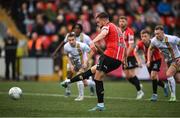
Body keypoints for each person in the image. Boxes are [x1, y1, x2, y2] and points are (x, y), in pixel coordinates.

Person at [61, 12, 126, 111]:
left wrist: (93, 41)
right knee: (91, 71)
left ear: (104, 20)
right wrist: (123, 59)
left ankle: (100, 105)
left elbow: (104, 33)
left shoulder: (107, 26)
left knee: (97, 78)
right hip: (117, 60)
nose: (97, 24)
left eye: (98, 22)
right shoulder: (118, 29)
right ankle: (69, 81)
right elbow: (124, 45)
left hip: (109, 56)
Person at [147, 25, 180, 102]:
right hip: (169, 61)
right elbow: (150, 49)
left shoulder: (172, 39)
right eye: (155, 34)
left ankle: (173, 97)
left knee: (168, 74)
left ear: (163, 32)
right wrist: (148, 60)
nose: (157, 35)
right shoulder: (154, 40)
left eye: (158, 33)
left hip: (176, 59)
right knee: (178, 79)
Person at [134, 29, 168, 101]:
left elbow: (162, 49)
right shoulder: (140, 44)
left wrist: (166, 57)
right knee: (155, 79)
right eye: (142, 36)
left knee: (153, 75)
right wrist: (138, 61)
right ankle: (164, 86)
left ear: (149, 36)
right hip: (148, 62)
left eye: (145, 36)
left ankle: (154, 95)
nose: (143, 38)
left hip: (157, 60)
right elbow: (135, 51)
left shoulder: (154, 42)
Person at [63, 23, 95, 97]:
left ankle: (92, 86)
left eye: (78, 28)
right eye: (75, 28)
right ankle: (68, 90)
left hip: (83, 60)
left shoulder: (85, 37)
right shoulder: (69, 36)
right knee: (69, 74)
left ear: (81, 30)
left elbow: (92, 46)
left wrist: (88, 60)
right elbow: (65, 47)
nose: (76, 29)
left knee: (85, 78)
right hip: (72, 60)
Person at [119, 16, 144, 100]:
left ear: (126, 22)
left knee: (132, 74)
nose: (121, 23)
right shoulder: (118, 31)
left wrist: (125, 56)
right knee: (127, 76)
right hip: (122, 56)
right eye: (120, 21)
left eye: (123, 21)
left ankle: (140, 91)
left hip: (130, 56)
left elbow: (131, 45)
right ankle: (138, 84)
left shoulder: (130, 32)